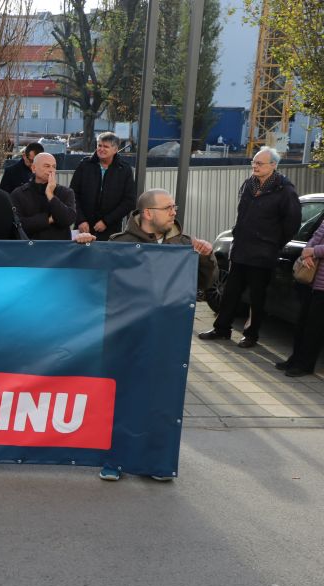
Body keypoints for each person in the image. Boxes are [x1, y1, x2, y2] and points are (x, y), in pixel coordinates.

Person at [100, 188, 216, 482]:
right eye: (168, 207)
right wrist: (86, 246)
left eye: (174, 207)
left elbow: (204, 284)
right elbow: (102, 285)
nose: (174, 211)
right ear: (148, 213)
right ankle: (115, 460)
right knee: (122, 398)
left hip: (168, 336)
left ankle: (157, 461)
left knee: (162, 399)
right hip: (127, 336)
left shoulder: (184, 244)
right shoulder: (119, 243)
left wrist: (206, 258)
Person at [199, 146, 301, 348]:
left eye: (259, 163)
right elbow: (242, 213)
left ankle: (251, 335)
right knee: (230, 292)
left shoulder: (285, 190)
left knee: (257, 297)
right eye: (253, 162)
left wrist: (274, 243)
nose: (254, 166)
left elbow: (292, 223)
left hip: (264, 254)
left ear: (273, 165)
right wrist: (238, 231)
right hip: (241, 249)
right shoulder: (249, 184)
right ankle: (222, 329)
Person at [277, 220, 324, 377]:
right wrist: (306, 253)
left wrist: (314, 252)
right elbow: (315, 237)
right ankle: (295, 359)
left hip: (322, 285)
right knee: (302, 323)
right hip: (312, 281)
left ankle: (305, 365)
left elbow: (315, 247)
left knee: (314, 327)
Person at [70, 132, 136, 241]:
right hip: (83, 228)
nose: (101, 149)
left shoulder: (124, 170)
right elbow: (72, 194)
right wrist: (80, 219)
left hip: (110, 230)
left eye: (106, 146)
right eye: (99, 145)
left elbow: (129, 201)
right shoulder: (85, 165)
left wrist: (106, 221)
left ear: (115, 150)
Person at [8, 152, 77, 240]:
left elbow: (68, 219)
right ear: (33, 168)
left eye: (54, 166)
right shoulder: (19, 194)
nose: (51, 170)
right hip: (30, 248)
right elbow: (18, 225)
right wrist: (48, 220)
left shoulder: (65, 192)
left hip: (59, 250)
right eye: (47, 166)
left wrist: (50, 195)